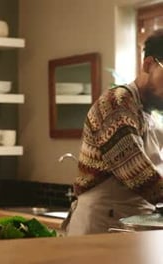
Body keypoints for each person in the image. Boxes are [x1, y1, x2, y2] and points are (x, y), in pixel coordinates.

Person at [64, 29, 163, 235]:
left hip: (134, 227)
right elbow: (135, 171)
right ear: (148, 64)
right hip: (99, 226)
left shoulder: (148, 113)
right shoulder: (115, 105)